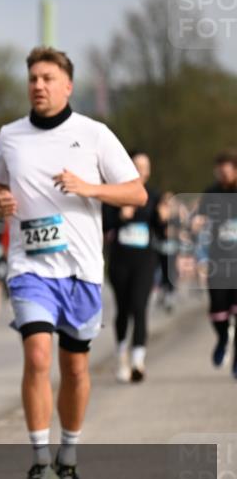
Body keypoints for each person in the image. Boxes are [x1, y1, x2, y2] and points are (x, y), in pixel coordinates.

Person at [0, 47, 146, 479]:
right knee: (37, 356)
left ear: (68, 86)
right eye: (33, 78)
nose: (38, 85)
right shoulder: (10, 135)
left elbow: (137, 192)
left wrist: (88, 187)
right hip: (29, 266)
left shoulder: (94, 134)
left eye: (48, 78)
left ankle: (68, 459)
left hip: (82, 270)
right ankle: (40, 462)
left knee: (75, 368)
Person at [102, 152, 166, 383]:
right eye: (137, 165)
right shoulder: (114, 194)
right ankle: (121, 356)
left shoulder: (154, 195)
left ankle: (138, 361)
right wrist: (121, 216)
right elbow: (104, 225)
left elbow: (161, 233)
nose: (141, 171)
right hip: (120, 260)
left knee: (140, 307)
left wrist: (163, 219)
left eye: (145, 167)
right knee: (123, 310)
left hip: (145, 261)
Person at [193, 149, 237, 375]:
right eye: (220, 173)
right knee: (218, 310)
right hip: (218, 260)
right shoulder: (211, 193)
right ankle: (222, 338)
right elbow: (200, 219)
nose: (223, 177)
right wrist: (197, 222)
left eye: (227, 173)